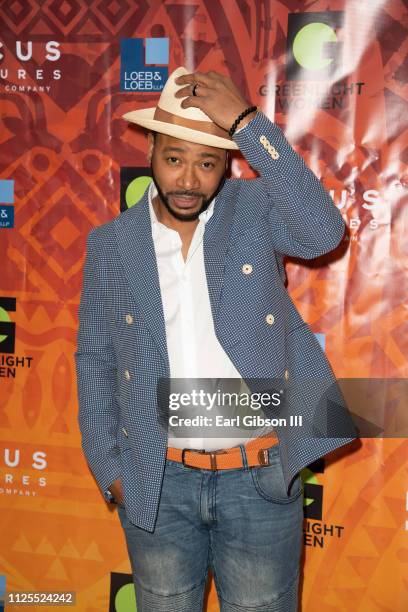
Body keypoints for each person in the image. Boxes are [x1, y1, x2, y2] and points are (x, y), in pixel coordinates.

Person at [75, 66, 357, 611]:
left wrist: (249, 124)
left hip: (259, 478)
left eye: (206, 162)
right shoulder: (111, 243)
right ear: (151, 149)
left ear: (226, 164)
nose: (187, 180)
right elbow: (94, 360)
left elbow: (323, 231)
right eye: (174, 158)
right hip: (157, 480)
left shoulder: (252, 210)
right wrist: (111, 470)